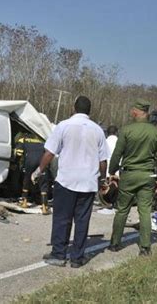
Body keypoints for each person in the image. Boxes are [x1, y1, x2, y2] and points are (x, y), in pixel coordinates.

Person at [32, 96, 109, 268]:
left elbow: (49, 153)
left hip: (66, 181)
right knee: (82, 220)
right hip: (88, 182)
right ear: (89, 110)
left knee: (62, 218)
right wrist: (102, 180)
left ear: (74, 108)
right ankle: (77, 258)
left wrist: (39, 171)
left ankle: (59, 254)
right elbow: (103, 161)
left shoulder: (63, 126)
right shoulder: (97, 130)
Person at [108, 99, 157, 256]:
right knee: (145, 211)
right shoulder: (156, 132)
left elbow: (117, 154)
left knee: (122, 210)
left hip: (129, 174)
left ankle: (115, 243)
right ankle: (145, 247)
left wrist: (112, 172)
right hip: (147, 175)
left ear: (135, 112)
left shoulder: (126, 130)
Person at [14, 132, 51, 214]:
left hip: (30, 161)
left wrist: (15, 162)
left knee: (26, 180)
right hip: (42, 161)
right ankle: (44, 206)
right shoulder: (41, 141)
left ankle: (24, 202)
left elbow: (19, 152)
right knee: (43, 183)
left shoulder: (22, 140)